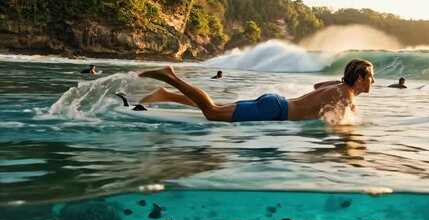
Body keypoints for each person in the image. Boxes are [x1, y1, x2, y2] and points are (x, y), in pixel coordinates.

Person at [138, 58, 375, 122]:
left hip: (275, 103)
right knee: (211, 111)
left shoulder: (338, 87)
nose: (372, 82)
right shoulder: (345, 96)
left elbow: (316, 86)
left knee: (218, 106)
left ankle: (166, 95)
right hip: (275, 112)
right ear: (359, 79)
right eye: (370, 77)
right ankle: (171, 77)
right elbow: (341, 130)